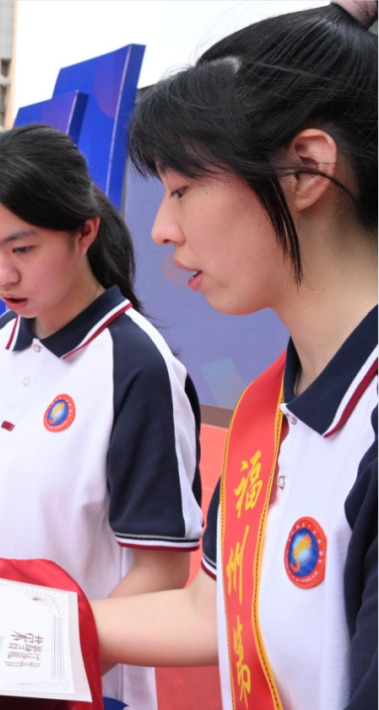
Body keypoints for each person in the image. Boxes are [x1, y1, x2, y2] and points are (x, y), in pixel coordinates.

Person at [89, 4, 377, 709]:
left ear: (307, 169)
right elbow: (208, 609)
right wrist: (7, 614)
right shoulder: (265, 409)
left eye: (183, 190)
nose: (160, 228)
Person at [0, 124, 204, 709]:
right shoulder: (1, 340)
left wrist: (55, 663)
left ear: (83, 232)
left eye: (22, 249)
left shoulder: (137, 366)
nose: (2, 275)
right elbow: (12, 492)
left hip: (83, 684)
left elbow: (163, 572)